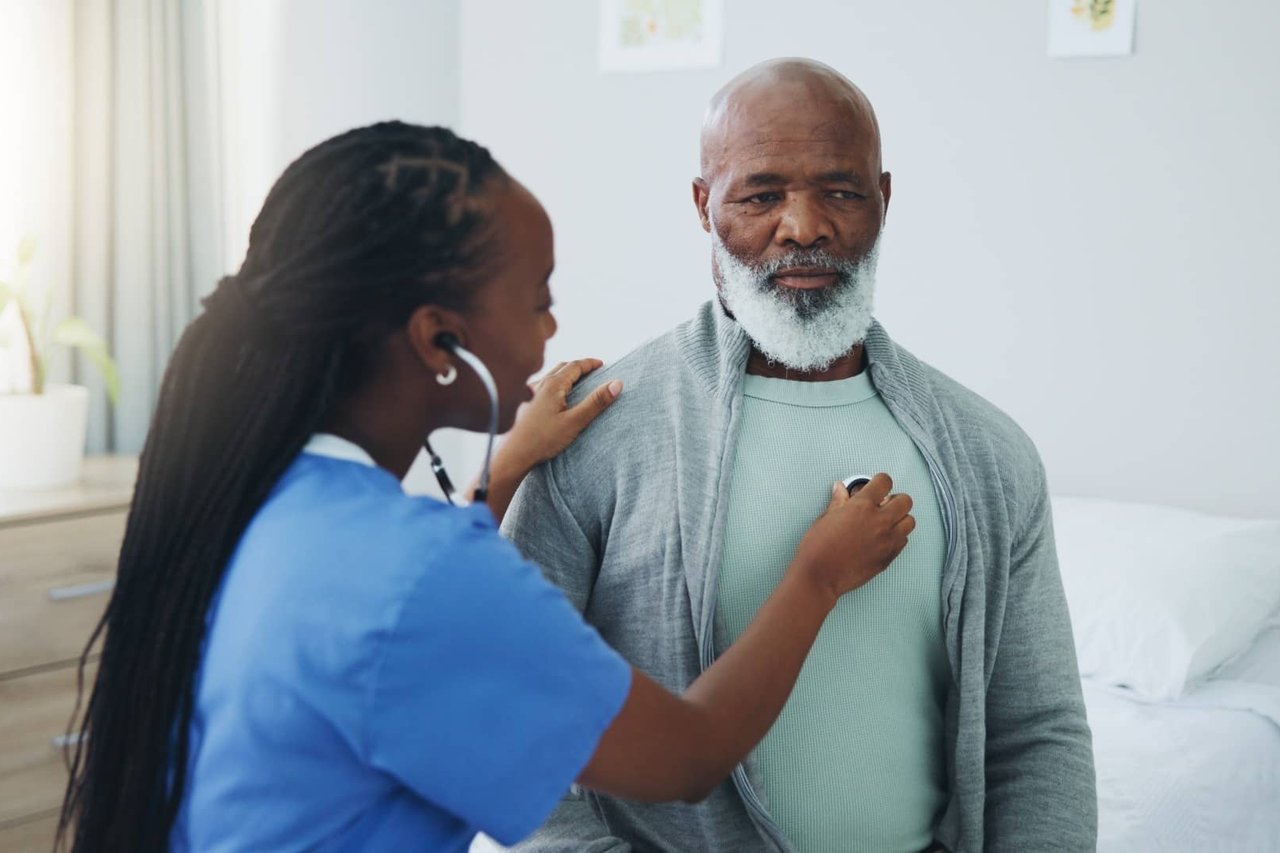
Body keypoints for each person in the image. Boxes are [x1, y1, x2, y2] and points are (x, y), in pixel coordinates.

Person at [55, 122, 917, 853]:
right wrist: (816, 576)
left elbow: (393, 632)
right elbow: (686, 756)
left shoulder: (253, 504)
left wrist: (500, 472)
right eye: (538, 299)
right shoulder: (420, 579)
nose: (551, 327)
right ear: (441, 342)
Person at [504, 59, 1097, 852]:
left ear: (884, 201)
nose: (804, 225)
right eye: (761, 194)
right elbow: (510, 708)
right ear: (702, 204)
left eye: (841, 192)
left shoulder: (988, 453)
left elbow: (1037, 732)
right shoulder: (599, 433)